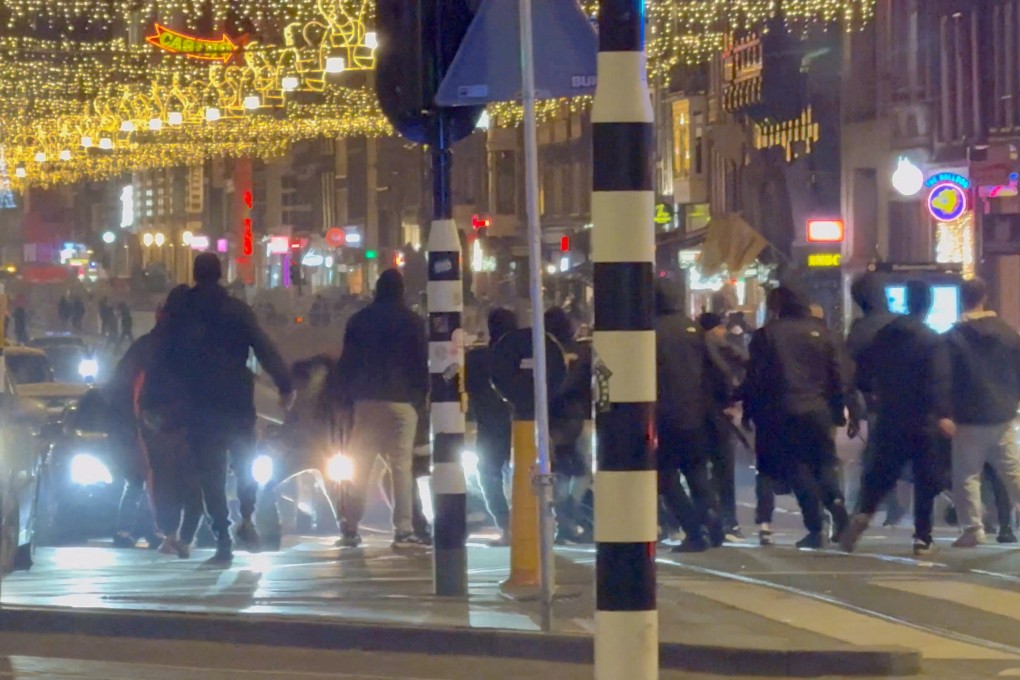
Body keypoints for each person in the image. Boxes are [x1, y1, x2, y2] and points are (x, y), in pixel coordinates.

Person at [144, 253, 293, 565]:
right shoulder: (237, 310)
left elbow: (161, 360)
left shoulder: (183, 314)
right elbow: (263, 347)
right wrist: (284, 383)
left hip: (199, 405)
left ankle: (223, 540)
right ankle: (247, 517)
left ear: (195, 274)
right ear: (221, 274)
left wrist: (152, 400)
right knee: (245, 466)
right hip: (238, 403)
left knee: (210, 476)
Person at [840, 280, 953, 556]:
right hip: (922, 418)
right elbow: (938, 380)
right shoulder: (931, 339)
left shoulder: (885, 334)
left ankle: (863, 514)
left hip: (890, 413)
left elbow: (862, 371)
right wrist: (943, 414)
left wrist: (873, 394)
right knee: (925, 478)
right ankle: (922, 536)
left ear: (905, 302)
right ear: (927, 305)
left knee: (882, 471)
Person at [742, 286, 853, 549]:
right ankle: (839, 512)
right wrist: (839, 410)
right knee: (825, 463)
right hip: (819, 410)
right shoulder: (826, 334)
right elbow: (840, 375)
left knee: (798, 468)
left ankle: (816, 527)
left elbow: (756, 378)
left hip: (783, 411)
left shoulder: (767, 335)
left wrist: (750, 411)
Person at [329, 269, 429, 549]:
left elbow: (346, 363)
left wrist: (344, 401)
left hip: (366, 402)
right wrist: (418, 399)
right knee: (401, 467)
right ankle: (403, 530)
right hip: (401, 402)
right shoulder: (413, 322)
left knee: (360, 466)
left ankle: (350, 527)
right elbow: (420, 364)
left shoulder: (358, 321)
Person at [943, 277, 1020, 548]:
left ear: (960, 299)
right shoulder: (1009, 333)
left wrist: (945, 411)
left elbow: (946, 378)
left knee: (966, 476)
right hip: (1003, 413)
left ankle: (972, 529)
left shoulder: (953, 336)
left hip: (968, 416)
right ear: (985, 297)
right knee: (1012, 472)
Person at [655, 280, 725, 552]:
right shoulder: (694, 329)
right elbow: (716, 370)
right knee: (697, 474)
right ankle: (714, 526)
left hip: (662, 415)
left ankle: (695, 530)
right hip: (695, 413)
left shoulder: (650, 330)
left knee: (667, 478)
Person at [845, 273, 904, 524]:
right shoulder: (901, 322)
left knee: (876, 455)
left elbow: (849, 370)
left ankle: (866, 508)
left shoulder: (861, 329)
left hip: (877, 400)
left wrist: (852, 408)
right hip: (908, 397)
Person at [465, 308, 518, 545]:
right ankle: (530, 524)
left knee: (488, 476)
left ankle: (507, 526)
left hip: (489, 426)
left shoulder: (477, 359)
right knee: (527, 477)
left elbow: (467, 389)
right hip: (524, 424)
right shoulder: (524, 355)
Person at [546, 306, 593, 544]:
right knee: (582, 470)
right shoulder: (583, 351)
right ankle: (569, 512)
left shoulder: (544, 351)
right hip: (580, 416)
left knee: (560, 471)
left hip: (551, 418)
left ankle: (563, 518)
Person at [699, 312, 748, 541]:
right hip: (717, 415)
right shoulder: (714, 345)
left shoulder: (694, 347)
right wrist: (734, 396)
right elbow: (733, 368)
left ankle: (709, 519)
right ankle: (727, 522)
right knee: (723, 470)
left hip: (698, 415)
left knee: (701, 470)